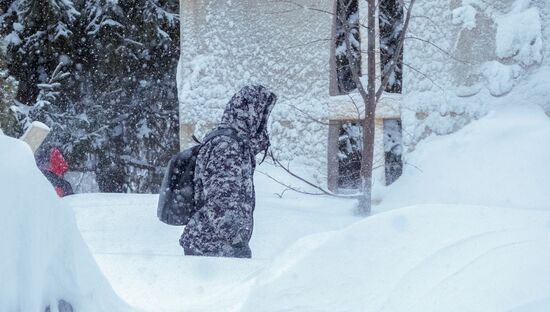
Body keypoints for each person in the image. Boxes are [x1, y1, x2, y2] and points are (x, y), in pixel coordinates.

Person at [180, 85, 277, 258]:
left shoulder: (232, 143)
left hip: (212, 245)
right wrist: (236, 242)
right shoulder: (227, 147)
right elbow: (221, 200)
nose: (264, 122)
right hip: (212, 249)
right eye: (262, 116)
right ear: (251, 113)